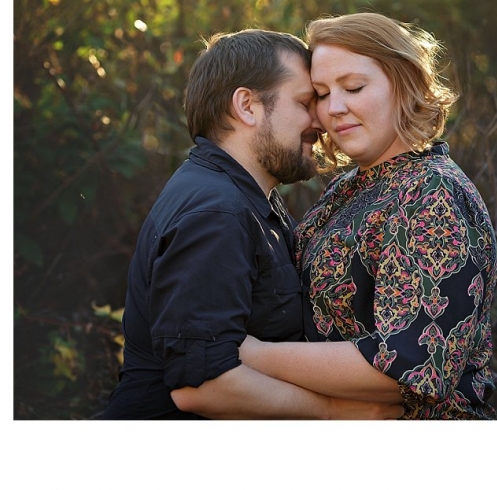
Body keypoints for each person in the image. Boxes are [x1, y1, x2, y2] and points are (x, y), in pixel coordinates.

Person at [101, 28, 403, 419]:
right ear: (247, 106)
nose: (321, 119)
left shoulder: (247, 199)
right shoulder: (215, 212)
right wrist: (335, 412)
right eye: (305, 101)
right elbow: (202, 386)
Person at [240, 13, 497, 419]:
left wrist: (247, 353)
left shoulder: (431, 192)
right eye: (321, 94)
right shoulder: (349, 186)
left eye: (354, 87)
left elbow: (414, 366)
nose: (334, 108)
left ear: (403, 83)